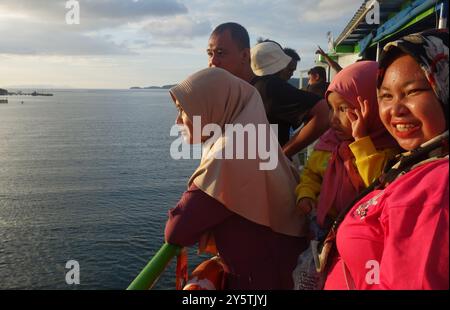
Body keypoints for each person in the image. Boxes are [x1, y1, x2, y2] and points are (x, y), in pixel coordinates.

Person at [324, 29, 449, 290]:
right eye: (386, 96)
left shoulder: (436, 185)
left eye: (413, 91)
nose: (395, 110)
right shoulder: (416, 160)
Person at [165, 67, 308, 290]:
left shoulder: (229, 156)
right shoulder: (256, 141)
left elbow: (177, 231)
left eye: (183, 110)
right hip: (284, 272)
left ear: (211, 107)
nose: (178, 122)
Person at [295, 61, 399, 231]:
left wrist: (361, 141)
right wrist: (306, 194)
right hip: (324, 227)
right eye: (331, 108)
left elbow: (379, 186)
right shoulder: (329, 143)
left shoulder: (387, 149)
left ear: (373, 106)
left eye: (343, 109)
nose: (333, 118)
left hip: (362, 232)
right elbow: (311, 175)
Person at [207, 23, 329, 158]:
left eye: (220, 53)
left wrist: (281, 156)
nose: (213, 60)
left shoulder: (267, 88)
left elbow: (323, 112)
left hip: (268, 177)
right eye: (209, 53)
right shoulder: (239, 90)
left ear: (245, 55)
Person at [250, 40, 330, 152]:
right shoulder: (273, 87)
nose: (291, 73)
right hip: (270, 163)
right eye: (290, 69)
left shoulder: (248, 86)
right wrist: (284, 153)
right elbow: (324, 111)